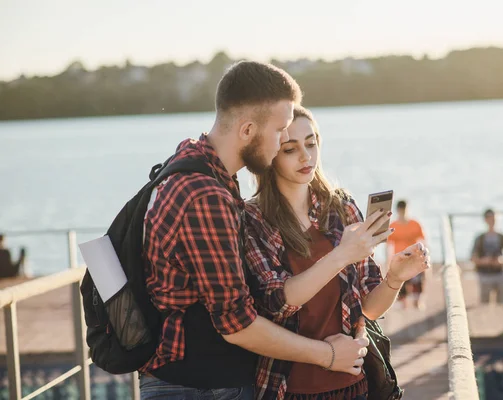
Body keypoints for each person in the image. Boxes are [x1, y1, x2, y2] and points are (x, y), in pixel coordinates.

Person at [140, 62, 368, 400]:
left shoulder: (198, 165)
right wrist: (329, 356)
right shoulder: (206, 196)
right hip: (200, 384)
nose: (281, 144)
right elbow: (237, 323)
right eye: (280, 133)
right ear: (247, 130)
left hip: (195, 377)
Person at [245, 105, 430, 399]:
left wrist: (395, 278)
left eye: (311, 143)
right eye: (290, 149)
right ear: (270, 156)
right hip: (287, 389)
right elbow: (276, 300)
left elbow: (368, 308)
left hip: (354, 385)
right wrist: (342, 255)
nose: (306, 156)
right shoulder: (253, 219)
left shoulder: (341, 208)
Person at [386, 200, 427, 309]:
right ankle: (402, 302)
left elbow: (423, 241)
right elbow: (388, 245)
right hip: (400, 259)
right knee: (401, 282)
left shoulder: (415, 224)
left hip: (414, 258)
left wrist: (425, 257)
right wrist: (388, 261)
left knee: (417, 282)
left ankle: (417, 302)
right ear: (398, 210)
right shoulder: (393, 226)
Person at [470, 209, 503, 304]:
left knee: (502, 303)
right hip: (484, 274)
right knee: (484, 303)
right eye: (490, 218)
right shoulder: (480, 238)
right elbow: (473, 258)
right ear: (485, 220)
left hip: (500, 273)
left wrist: (501, 261)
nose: (492, 221)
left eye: (494, 218)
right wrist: (484, 261)